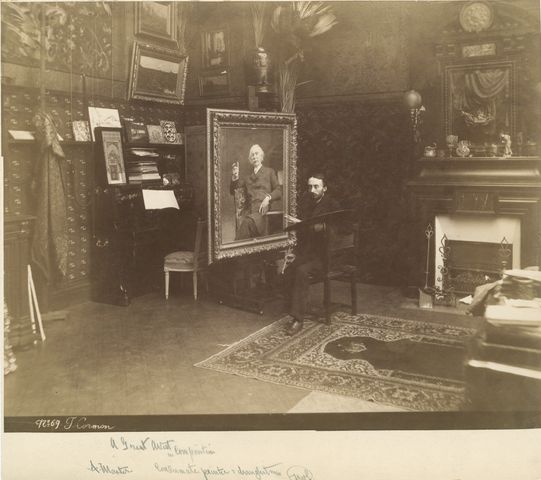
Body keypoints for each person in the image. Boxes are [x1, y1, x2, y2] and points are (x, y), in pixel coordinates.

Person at [283, 173, 340, 335]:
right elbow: (304, 234)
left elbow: (340, 230)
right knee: (288, 269)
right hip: (309, 254)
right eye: (310, 187)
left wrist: (318, 227)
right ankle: (293, 308)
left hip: (326, 256)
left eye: (316, 187)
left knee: (301, 271)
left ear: (325, 188)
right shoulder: (307, 204)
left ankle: (298, 319)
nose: (312, 190)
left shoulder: (332, 205)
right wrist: (294, 252)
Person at [230, 144, 281, 240]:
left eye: (257, 154)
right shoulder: (247, 177)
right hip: (249, 212)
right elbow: (233, 191)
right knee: (247, 223)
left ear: (262, 157)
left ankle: (234, 251)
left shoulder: (269, 172)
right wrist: (235, 176)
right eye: (252, 155)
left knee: (246, 223)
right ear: (250, 159)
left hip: (263, 212)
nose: (254, 157)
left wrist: (268, 198)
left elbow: (278, 191)